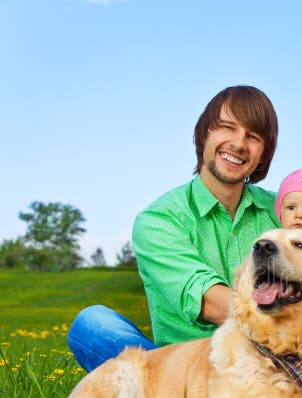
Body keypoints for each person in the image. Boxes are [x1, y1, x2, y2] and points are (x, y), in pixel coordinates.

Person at [68, 85, 280, 372]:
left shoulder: (282, 211)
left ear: (263, 153)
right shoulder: (158, 219)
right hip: (187, 373)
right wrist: (297, 321)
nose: (239, 144)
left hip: (275, 359)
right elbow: (212, 303)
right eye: (227, 128)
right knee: (93, 325)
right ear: (205, 133)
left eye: (252, 136)